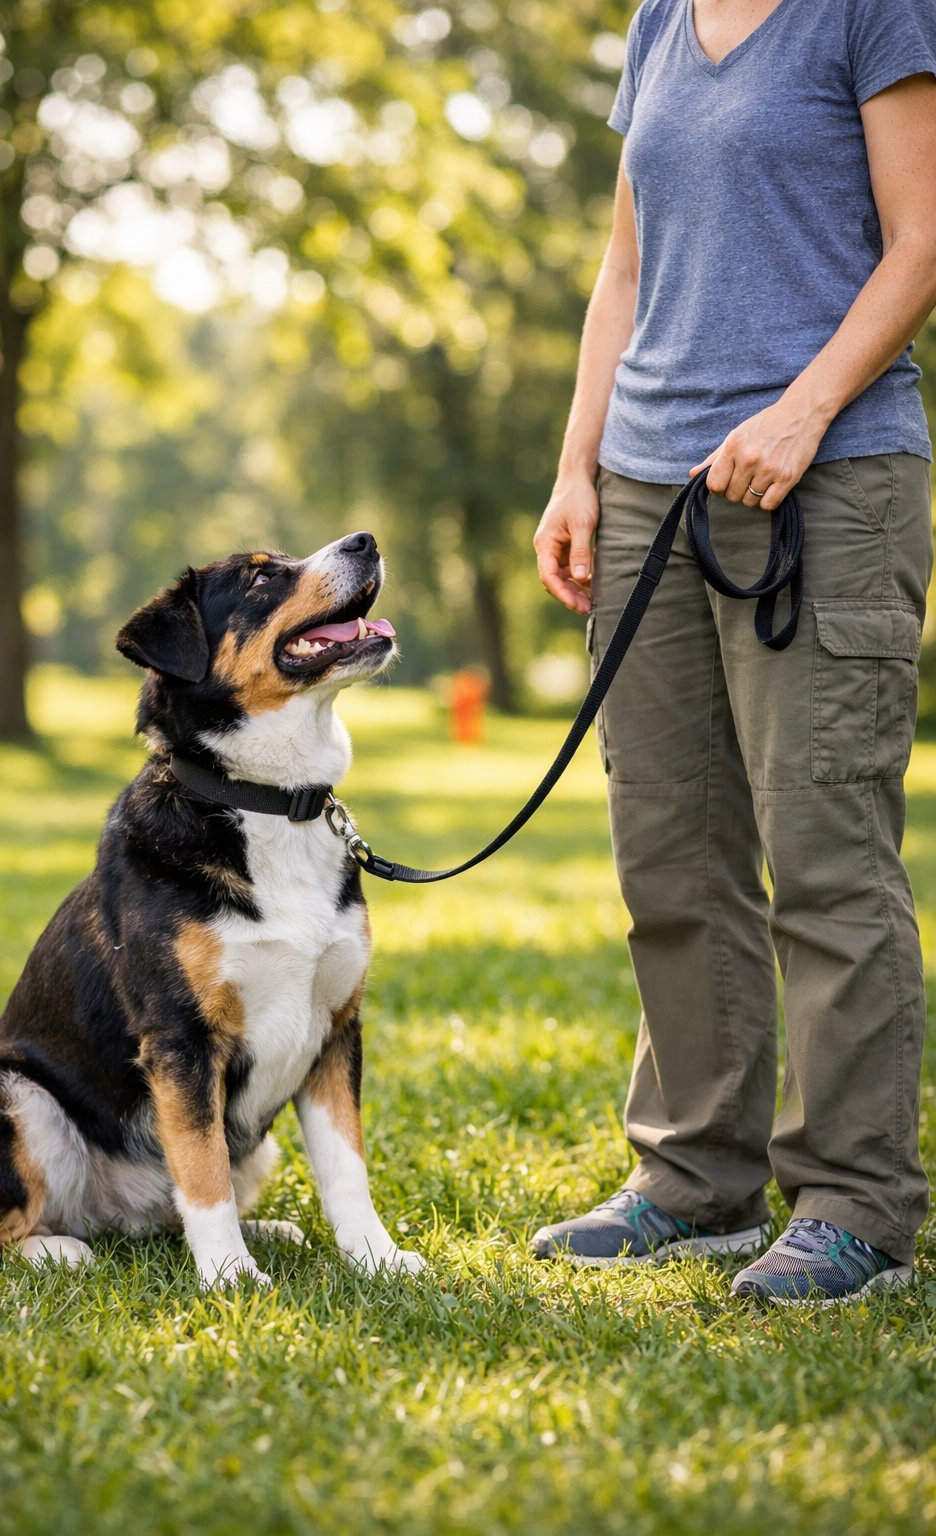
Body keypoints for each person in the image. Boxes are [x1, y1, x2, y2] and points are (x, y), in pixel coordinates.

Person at [530, 0, 936, 1303]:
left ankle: (857, 1204)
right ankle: (696, 1177)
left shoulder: (874, 10)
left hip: (825, 480)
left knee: (824, 849)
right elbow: (625, 270)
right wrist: (576, 467)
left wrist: (804, 411)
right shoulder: (660, 21)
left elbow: (922, 238)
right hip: (651, 487)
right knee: (670, 847)